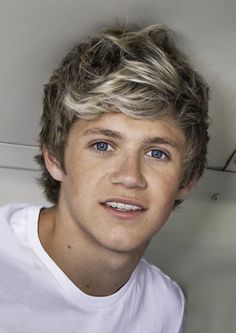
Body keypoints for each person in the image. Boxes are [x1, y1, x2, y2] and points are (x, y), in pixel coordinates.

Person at [0, 23, 209, 332]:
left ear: (187, 181)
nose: (129, 176)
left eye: (157, 153)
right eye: (103, 145)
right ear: (55, 158)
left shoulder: (165, 306)